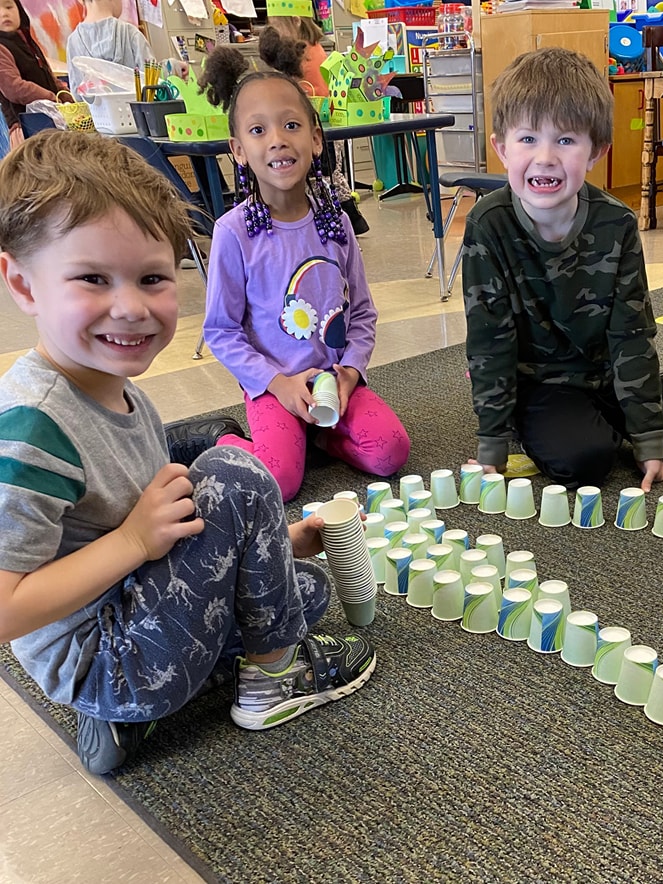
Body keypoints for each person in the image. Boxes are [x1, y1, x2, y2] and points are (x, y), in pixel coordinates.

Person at [0, 130, 376, 776]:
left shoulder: (123, 397)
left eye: (152, 278)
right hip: (107, 655)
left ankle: (132, 716)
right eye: (93, 278)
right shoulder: (34, 426)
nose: (131, 307)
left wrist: (277, 540)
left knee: (301, 590)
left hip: (129, 616)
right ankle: (269, 684)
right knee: (232, 469)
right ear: (24, 286)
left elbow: (177, 531)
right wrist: (132, 544)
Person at [462, 47, 663, 490]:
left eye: (565, 140)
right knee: (585, 462)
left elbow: (631, 332)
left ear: (596, 152)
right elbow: (489, 340)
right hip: (542, 383)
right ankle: (622, 405)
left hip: (609, 370)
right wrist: (492, 444)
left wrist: (648, 440)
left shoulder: (616, 223)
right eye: (528, 139)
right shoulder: (488, 225)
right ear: (501, 147)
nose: (546, 157)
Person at [199, 47, 409, 503]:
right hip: (273, 387)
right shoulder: (233, 233)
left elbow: (363, 315)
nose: (277, 140)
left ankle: (316, 436)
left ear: (316, 139)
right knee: (280, 483)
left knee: (391, 454)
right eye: (258, 130)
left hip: (333, 381)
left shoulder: (335, 222)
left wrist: (351, 374)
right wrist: (277, 384)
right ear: (238, 150)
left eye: (291, 125)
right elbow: (221, 331)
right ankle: (222, 440)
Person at [258, 22, 370, 236]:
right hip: (330, 114)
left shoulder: (299, 55)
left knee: (324, 175)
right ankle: (352, 218)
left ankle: (343, 219)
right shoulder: (315, 45)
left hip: (319, 121)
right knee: (331, 173)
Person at [65, 0, 188, 96]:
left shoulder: (73, 41)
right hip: (136, 120)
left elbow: (77, 94)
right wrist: (173, 67)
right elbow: (151, 80)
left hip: (96, 124)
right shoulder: (131, 34)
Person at [0, 0, 63, 148]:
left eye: (9, 7)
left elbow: (47, 73)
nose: (4, 13)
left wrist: (63, 93)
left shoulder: (28, 42)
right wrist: (51, 97)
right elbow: (13, 88)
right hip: (26, 128)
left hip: (48, 120)